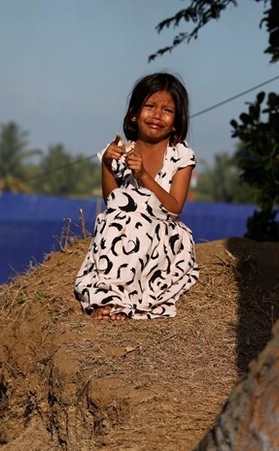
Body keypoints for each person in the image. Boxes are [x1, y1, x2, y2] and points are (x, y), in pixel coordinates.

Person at [74, 72, 199, 320]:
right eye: (149, 107)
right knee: (111, 221)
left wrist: (143, 175)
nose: (156, 116)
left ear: (176, 120)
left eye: (167, 110)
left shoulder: (181, 156)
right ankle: (107, 299)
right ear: (134, 113)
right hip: (123, 228)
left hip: (161, 231)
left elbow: (174, 208)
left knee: (139, 226)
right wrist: (107, 166)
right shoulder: (124, 150)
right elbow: (113, 201)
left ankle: (125, 303)